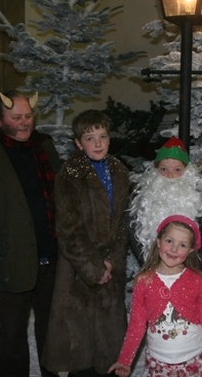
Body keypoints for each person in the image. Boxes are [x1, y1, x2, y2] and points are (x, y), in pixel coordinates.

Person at [0, 90, 62, 377]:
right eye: (16, 117)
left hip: (51, 256)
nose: (24, 123)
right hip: (10, 260)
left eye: (29, 116)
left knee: (51, 332)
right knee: (12, 336)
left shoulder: (45, 147)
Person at [42, 109, 131, 376]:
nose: (98, 143)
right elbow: (69, 230)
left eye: (102, 136)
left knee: (109, 351)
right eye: (90, 138)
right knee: (80, 350)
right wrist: (94, 267)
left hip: (110, 271)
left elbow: (122, 223)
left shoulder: (119, 170)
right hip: (78, 273)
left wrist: (112, 263)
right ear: (79, 143)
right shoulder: (70, 174)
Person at [109, 215, 202, 377]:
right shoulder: (144, 281)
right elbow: (136, 326)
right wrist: (125, 360)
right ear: (159, 242)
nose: (174, 249)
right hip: (158, 365)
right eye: (169, 241)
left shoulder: (197, 280)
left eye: (182, 245)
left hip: (194, 363)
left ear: (191, 250)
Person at [129, 136, 202, 262]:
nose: (170, 175)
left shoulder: (197, 202)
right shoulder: (142, 200)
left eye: (177, 170)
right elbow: (134, 237)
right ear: (155, 170)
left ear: (187, 172)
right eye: (164, 169)